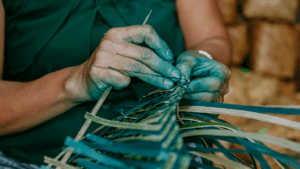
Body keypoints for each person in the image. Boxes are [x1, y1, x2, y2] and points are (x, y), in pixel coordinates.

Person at [0, 0, 231, 166]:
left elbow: (211, 38)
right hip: (32, 159)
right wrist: (75, 83)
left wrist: (205, 58)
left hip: (163, 151)